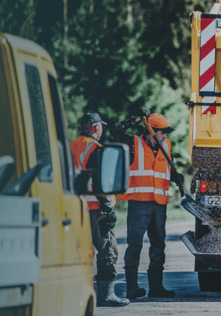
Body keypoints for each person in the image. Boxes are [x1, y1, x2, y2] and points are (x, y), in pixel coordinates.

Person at [110, 109, 184, 299]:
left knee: (158, 245)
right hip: (139, 203)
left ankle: (156, 288)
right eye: (161, 132)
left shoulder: (166, 146)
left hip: (159, 204)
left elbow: (168, 170)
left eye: (165, 132)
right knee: (134, 244)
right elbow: (114, 132)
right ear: (151, 131)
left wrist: (176, 177)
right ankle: (132, 288)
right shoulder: (133, 143)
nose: (165, 135)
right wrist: (134, 120)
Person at [70, 111, 130, 307]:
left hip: (76, 209)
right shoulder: (95, 148)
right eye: (101, 126)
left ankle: (77, 294)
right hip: (97, 209)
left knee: (80, 252)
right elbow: (100, 182)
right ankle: (106, 295)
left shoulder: (69, 147)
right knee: (107, 250)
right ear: (96, 127)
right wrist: (108, 210)